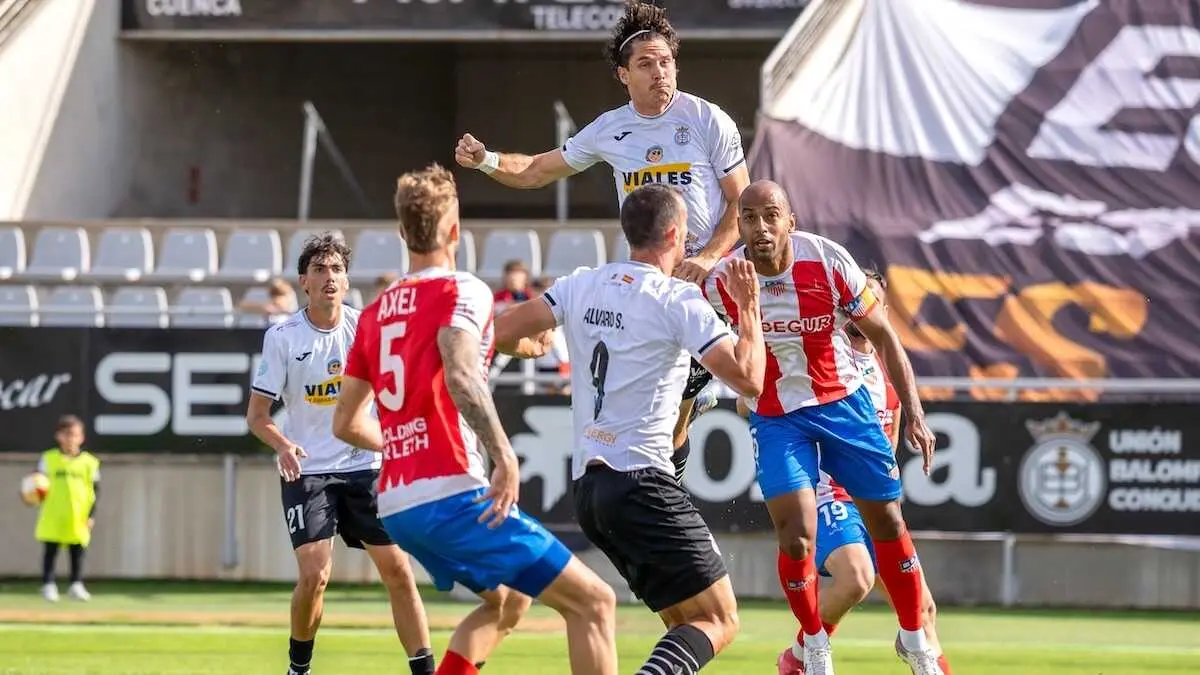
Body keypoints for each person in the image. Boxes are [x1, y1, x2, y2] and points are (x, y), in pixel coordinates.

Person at [332, 163, 618, 675]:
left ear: (403, 233)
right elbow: (461, 371)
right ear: (455, 231)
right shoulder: (463, 289)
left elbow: (347, 423)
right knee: (594, 603)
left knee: (507, 601)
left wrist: (401, 445)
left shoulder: (374, 314)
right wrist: (505, 456)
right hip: (452, 497)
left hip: (397, 506)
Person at [453, 0, 751, 475]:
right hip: (648, 278)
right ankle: (661, 476)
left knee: (688, 400)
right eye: (646, 64)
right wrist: (486, 160)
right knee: (662, 402)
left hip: (708, 280)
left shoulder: (706, 120)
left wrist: (710, 257)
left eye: (666, 61)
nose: (660, 72)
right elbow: (536, 170)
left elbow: (742, 202)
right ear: (623, 74)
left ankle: (712, 421)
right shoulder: (611, 130)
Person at [492, 183, 767, 675]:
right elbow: (749, 378)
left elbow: (501, 332)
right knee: (719, 619)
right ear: (673, 233)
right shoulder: (677, 299)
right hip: (642, 482)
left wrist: (530, 348)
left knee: (683, 620)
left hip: (590, 490)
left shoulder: (582, 283)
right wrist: (749, 309)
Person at [701, 181, 941, 675]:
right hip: (776, 415)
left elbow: (885, 338)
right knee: (796, 538)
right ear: (738, 225)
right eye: (749, 217)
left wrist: (914, 411)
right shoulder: (724, 280)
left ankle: (916, 641)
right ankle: (813, 644)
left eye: (771, 216)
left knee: (889, 522)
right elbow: (688, 335)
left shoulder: (829, 262)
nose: (761, 228)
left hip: (841, 405)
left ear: (791, 220)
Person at [736, 270, 953, 674]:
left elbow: (885, 445)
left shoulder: (890, 374)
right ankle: (803, 653)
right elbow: (752, 403)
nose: (857, 312)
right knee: (855, 578)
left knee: (922, 609)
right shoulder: (823, 358)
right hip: (827, 493)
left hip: (866, 499)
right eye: (852, 303)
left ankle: (799, 658)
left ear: (881, 311)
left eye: (868, 303)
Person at [246, 233, 434, 675]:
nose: (329, 277)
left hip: (364, 467)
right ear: (303, 283)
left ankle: (425, 671)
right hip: (308, 470)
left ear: (347, 281)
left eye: (336, 270)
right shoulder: (283, 337)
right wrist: (283, 443)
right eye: (319, 270)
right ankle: (299, 668)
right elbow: (257, 415)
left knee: (399, 571)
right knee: (315, 575)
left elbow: (396, 393)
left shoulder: (366, 328)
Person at [35, 415, 99, 603]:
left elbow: (96, 490)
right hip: (53, 512)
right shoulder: (49, 459)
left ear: (81, 438)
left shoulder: (89, 462)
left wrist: (91, 514)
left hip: (78, 514)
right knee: (51, 550)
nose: (70, 439)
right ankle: (48, 584)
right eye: (66, 434)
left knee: (77, 550)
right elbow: (37, 482)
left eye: (74, 435)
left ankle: (76, 584)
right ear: (58, 436)